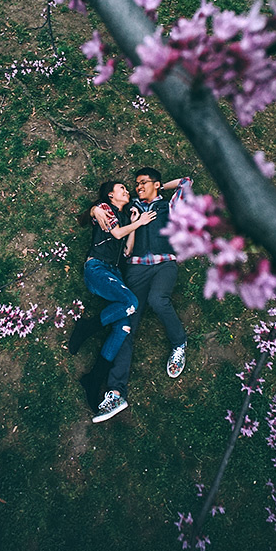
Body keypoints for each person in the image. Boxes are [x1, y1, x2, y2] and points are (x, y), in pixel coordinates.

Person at [92, 168, 192, 424]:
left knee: (158, 300)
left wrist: (159, 189)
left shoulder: (170, 206)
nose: (137, 187)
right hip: (135, 269)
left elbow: (185, 181)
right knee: (125, 325)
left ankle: (179, 343)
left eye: (143, 183)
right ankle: (116, 393)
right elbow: (106, 209)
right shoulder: (130, 208)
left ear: (157, 184)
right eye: (135, 184)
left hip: (164, 264)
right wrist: (95, 210)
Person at [70, 180, 156, 421]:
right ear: (110, 195)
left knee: (124, 327)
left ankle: (94, 378)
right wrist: (138, 221)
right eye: (121, 189)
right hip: (97, 269)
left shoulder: (121, 216)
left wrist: (134, 224)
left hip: (114, 273)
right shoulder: (104, 209)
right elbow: (115, 232)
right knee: (131, 302)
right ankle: (87, 327)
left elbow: (127, 249)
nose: (126, 191)